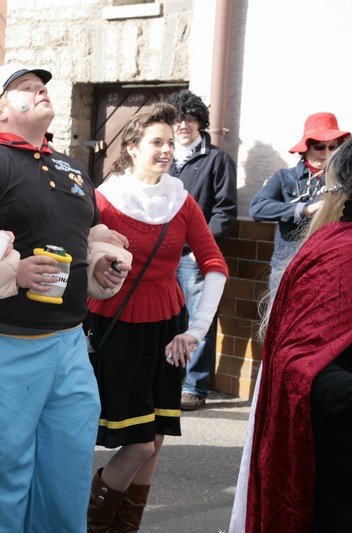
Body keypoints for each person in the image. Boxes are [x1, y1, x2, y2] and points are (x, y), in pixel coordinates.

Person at [0, 63, 125, 532]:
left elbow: (86, 234)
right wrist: (13, 273)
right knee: (4, 468)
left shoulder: (72, 168)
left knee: (68, 469)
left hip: (69, 340)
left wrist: (98, 263)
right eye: (26, 88)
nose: (40, 92)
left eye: (42, 88)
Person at [87, 102, 228, 530]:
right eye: (156, 142)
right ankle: (93, 522)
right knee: (140, 443)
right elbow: (82, 256)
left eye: (170, 142)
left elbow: (215, 265)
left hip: (169, 326)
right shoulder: (104, 200)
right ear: (132, 147)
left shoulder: (181, 201)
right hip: (117, 325)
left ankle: (124, 525)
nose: (166, 150)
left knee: (157, 436)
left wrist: (196, 331)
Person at [230, 139, 352, 532]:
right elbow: (299, 365)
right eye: (317, 143)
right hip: (335, 472)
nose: (322, 148)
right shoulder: (339, 253)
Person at [166, 89, 237, 410]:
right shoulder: (166, 157)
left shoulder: (217, 160)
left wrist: (202, 249)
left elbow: (225, 209)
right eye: (178, 119)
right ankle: (170, 380)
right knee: (169, 319)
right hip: (165, 256)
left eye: (191, 119)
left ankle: (194, 387)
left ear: (201, 123)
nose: (183, 125)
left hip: (194, 258)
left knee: (199, 322)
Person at [249, 112, 349, 292]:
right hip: (287, 265)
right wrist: (303, 209)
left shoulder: (344, 180)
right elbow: (257, 208)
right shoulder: (285, 177)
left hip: (328, 266)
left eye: (333, 147)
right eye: (319, 146)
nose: (326, 153)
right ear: (306, 147)